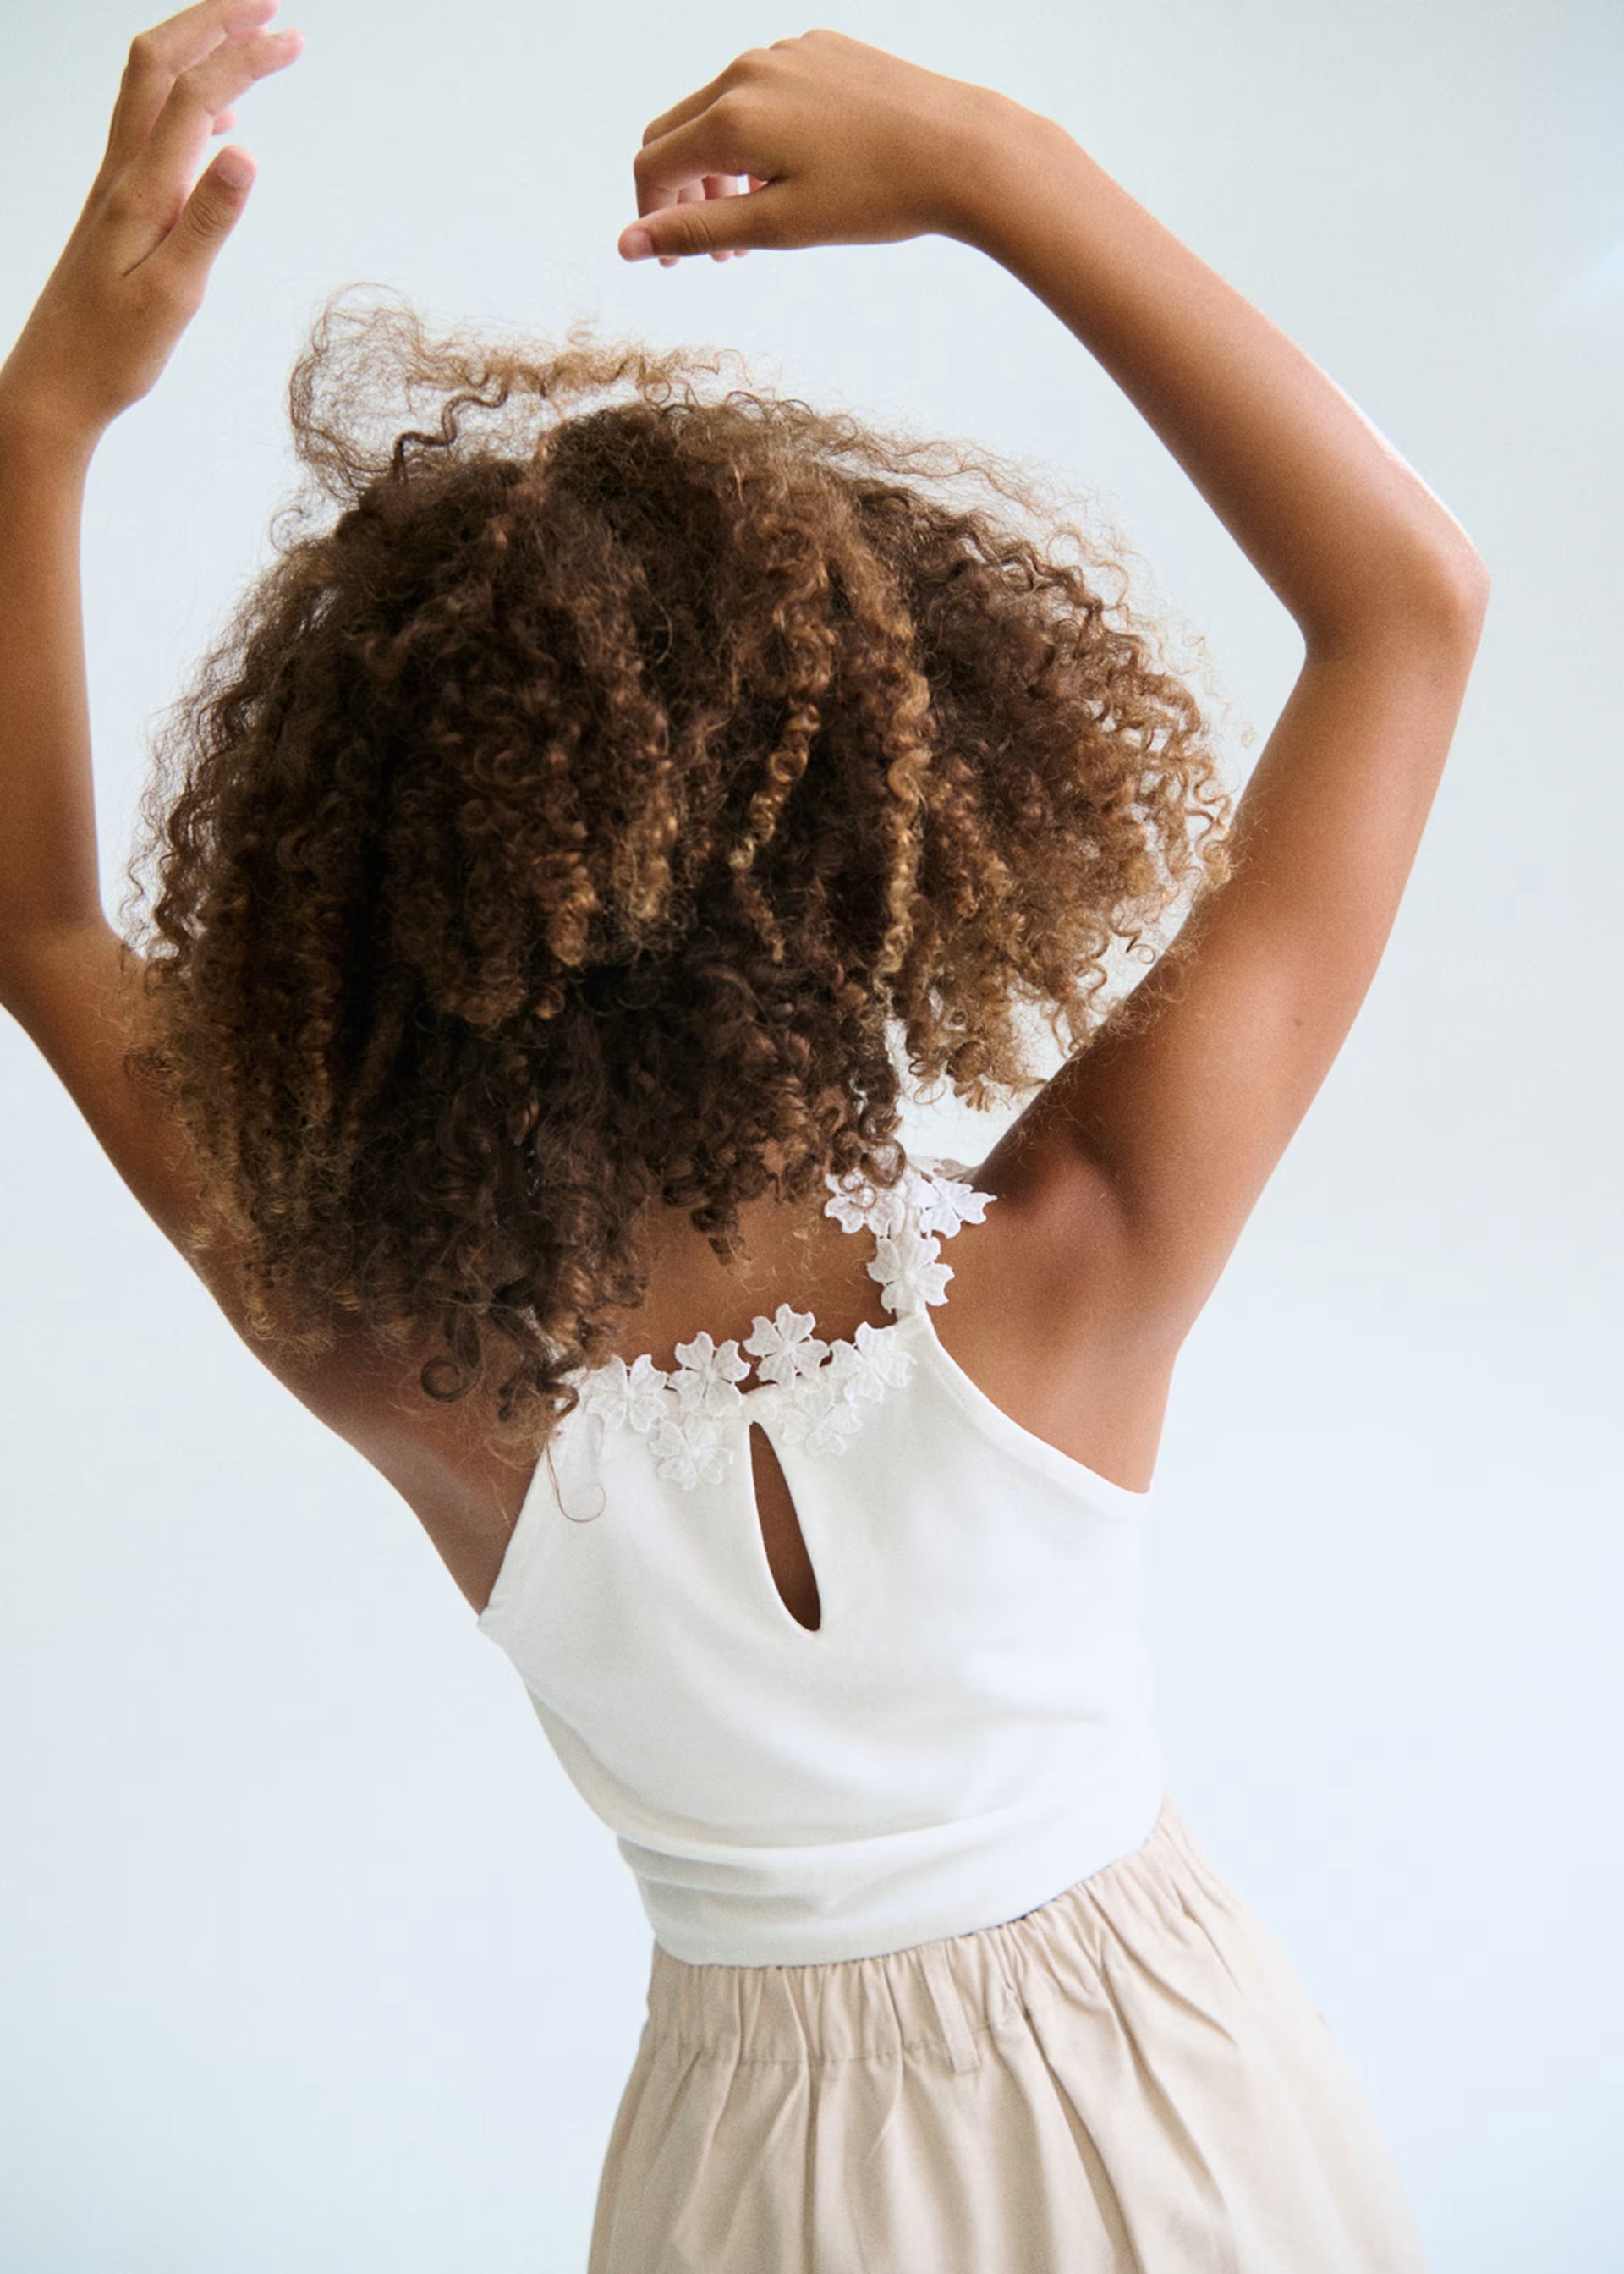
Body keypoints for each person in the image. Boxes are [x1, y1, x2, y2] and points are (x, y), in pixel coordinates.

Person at [0, 8, 1490, 2268]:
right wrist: (993, 162)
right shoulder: (1078, 1255)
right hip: (1184, 2126)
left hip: (750, 2188)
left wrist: (41, 427)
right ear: (890, 829)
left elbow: (40, 929)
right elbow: (1408, 608)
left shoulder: (407, 1365)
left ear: (366, 924)